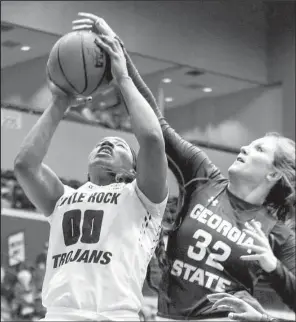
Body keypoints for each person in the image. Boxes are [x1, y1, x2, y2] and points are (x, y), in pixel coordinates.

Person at [71, 13, 295, 320]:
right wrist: (119, 56)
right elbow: (157, 125)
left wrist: (267, 314)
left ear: (273, 173)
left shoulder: (279, 233)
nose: (244, 147)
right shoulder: (203, 176)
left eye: (258, 149)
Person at [14, 32, 168, 321]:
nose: (106, 144)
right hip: (60, 314)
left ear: (133, 171)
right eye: (100, 143)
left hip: (114, 315)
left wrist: (123, 78)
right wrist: (59, 103)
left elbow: (152, 139)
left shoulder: (142, 197)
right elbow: (25, 166)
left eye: (119, 145)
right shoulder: (64, 199)